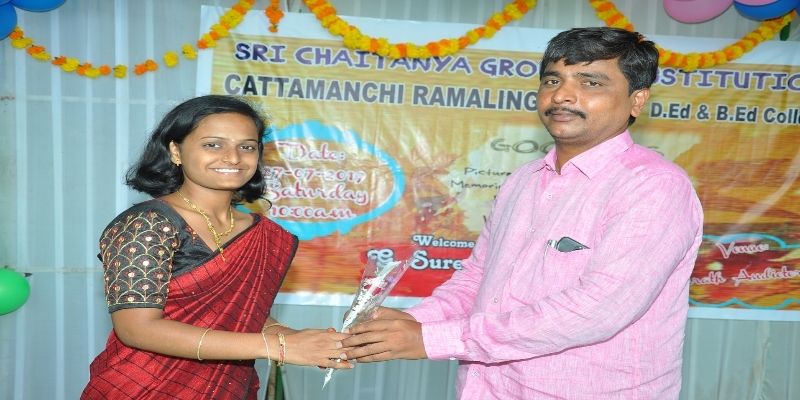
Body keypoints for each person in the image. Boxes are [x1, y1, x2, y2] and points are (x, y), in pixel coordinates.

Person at [341, 27, 704, 399]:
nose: (561, 95)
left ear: (636, 100)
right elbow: (477, 280)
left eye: (590, 82)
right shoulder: (523, 180)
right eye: (552, 80)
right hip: (487, 389)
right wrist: (409, 324)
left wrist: (433, 339)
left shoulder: (654, 187)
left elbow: (598, 309)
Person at [81, 95, 352, 400]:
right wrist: (276, 347)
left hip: (229, 388)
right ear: (175, 151)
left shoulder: (264, 234)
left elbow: (245, 316)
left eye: (246, 147)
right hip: (142, 388)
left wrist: (297, 339)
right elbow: (137, 329)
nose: (233, 158)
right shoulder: (147, 224)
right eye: (213, 144)